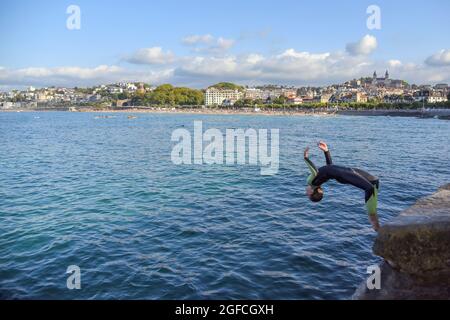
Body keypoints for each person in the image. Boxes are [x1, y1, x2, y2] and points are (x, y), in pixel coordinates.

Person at [304, 141, 380, 231]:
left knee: (375, 181)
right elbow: (314, 171)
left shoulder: (317, 181)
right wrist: (306, 158)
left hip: (348, 171)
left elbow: (330, 167)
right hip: (344, 174)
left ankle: (373, 209)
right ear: (312, 192)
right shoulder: (311, 182)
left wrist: (326, 151)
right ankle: (375, 224)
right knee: (369, 188)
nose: (306, 193)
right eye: (308, 195)